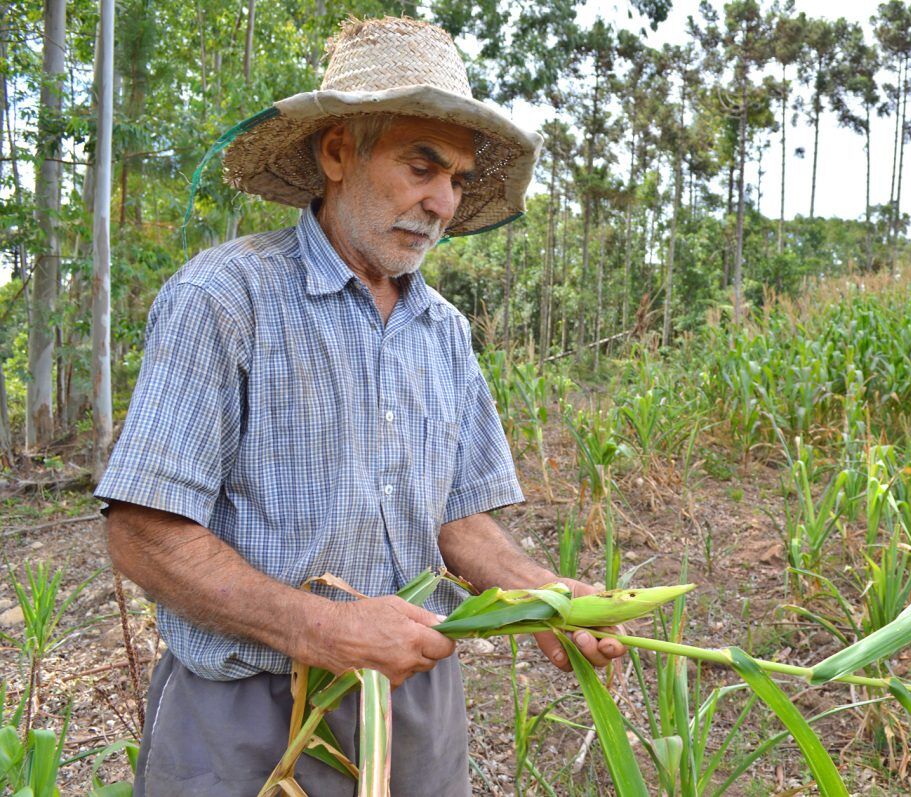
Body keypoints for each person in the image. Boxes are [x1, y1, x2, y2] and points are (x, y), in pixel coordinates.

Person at [95, 16, 624, 797]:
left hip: (413, 709)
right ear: (337, 152)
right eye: (422, 165)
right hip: (250, 717)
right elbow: (142, 531)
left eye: (457, 178)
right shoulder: (225, 298)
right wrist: (323, 628)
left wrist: (542, 594)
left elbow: (457, 517)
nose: (443, 201)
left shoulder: (442, 331)